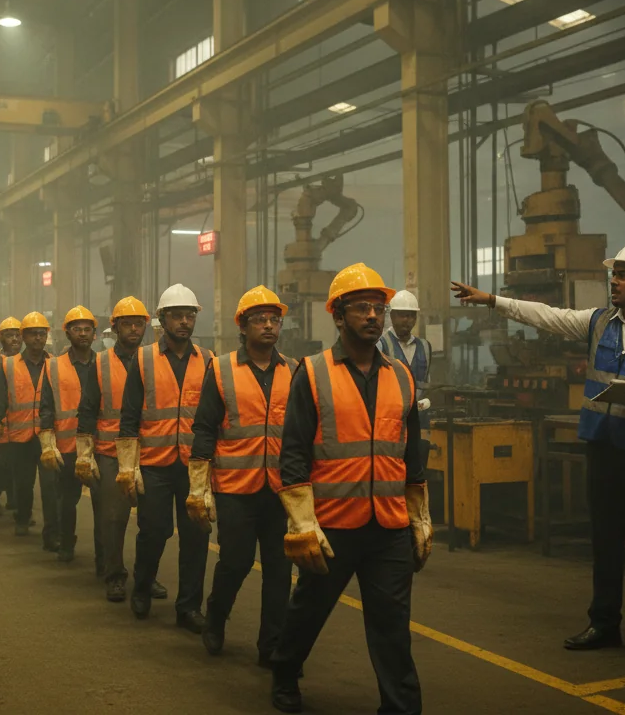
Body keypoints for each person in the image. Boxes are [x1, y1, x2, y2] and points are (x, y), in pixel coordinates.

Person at [451, 242, 625, 672]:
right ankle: (604, 623)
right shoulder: (597, 323)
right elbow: (547, 316)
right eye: (614, 274)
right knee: (605, 541)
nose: (614, 281)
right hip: (604, 449)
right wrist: (493, 301)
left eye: (623, 275)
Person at [269, 262, 432, 715]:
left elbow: (411, 454)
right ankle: (284, 671)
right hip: (334, 525)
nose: (373, 317)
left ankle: (401, 707)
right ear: (338, 317)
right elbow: (295, 452)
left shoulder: (401, 375)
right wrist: (302, 522)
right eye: (361, 308)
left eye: (377, 308)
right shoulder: (313, 372)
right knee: (308, 609)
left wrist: (419, 517)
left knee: (392, 625)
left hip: (388, 526)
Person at [189, 286, 295, 667]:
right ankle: (216, 617)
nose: (268, 326)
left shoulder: (294, 371)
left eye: (273, 320)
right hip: (235, 487)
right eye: (259, 320)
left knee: (280, 571)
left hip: (280, 489)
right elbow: (204, 427)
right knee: (235, 562)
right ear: (243, 326)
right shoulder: (220, 369)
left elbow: (300, 435)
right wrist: (199, 485)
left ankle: (272, 646)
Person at [118, 283, 214, 632]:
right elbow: (129, 416)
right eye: (177, 316)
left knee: (196, 537)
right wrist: (128, 466)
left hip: (193, 466)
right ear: (162, 320)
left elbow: (214, 417)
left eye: (189, 315)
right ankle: (142, 587)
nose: (184, 322)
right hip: (155, 464)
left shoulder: (208, 360)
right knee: (154, 531)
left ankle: (188, 607)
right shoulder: (143, 359)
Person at [75, 297, 167, 603]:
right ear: (115, 327)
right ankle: (114, 575)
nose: (133, 329)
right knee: (113, 518)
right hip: (111, 452)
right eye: (126, 323)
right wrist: (85, 453)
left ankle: (146, 577)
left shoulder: (155, 360)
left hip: (151, 451)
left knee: (153, 523)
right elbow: (87, 409)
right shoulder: (100, 363)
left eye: (138, 323)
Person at [0, 312, 55, 541]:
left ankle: (52, 533)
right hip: (20, 436)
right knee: (23, 484)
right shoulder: (10, 366)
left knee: (50, 486)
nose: (37, 338)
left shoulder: (55, 364)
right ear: (24, 337)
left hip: (47, 436)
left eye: (41, 334)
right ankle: (22, 519)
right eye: (33, 334)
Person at [39, 306, 98, 563]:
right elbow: (46, 407)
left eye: (87, 329)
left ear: (94, 334)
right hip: (67, 445)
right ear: (67, 333)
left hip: (100, 446)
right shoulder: (53, 367)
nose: (82, 334)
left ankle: (104, 556)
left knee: (104, 506)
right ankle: (66, 543)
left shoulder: (104, 364)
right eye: (77, 329)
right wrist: (48, 443)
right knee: (67, 501)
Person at [377, 290, 433, 458]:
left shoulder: (425, 347)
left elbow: (425, 383)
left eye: (411, 316)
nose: (407, 321)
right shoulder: (380, 346)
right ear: (392, 316)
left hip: (420, 421)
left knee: (418, 467)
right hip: (391, 423)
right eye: (402, 315)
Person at [0, 316, 24, 516]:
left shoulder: (29, 361)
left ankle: (16, 504)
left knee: (19, 471)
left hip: (22, 426)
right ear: (1, 338)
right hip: (0, 426)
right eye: (9, 336)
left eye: (17, 335)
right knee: (0, 469)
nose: (15, 340)